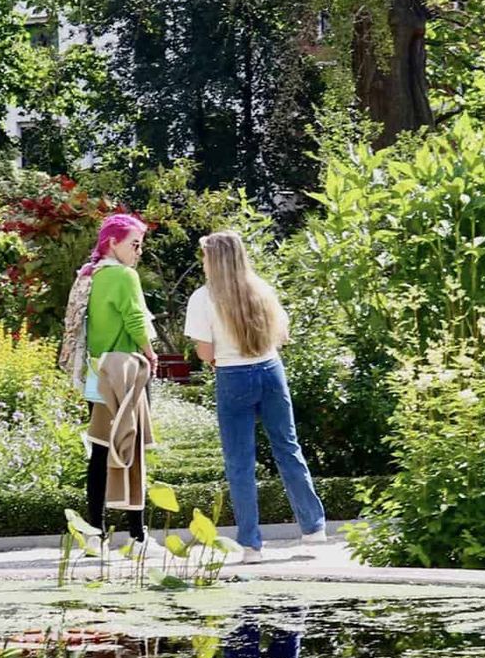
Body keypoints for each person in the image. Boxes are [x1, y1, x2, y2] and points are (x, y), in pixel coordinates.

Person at [184, 230, 325, 563]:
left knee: (240, 462)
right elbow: (281, 335)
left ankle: (251, 545)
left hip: (233, 376)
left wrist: (221, 357)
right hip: (270, 370)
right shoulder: (261, 288)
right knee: (288, 448)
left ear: (214, 260)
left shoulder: (204, 298)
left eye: (204, 256)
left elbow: (205, 351)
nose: (202, 261)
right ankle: (314, 528)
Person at [72, 212, 163, 556]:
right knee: (132, 451)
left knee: (100, 452)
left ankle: (96, 534)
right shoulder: (125, 276)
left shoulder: (89, 275)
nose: (138, 252)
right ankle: (138, 538)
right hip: (124, 373)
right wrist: (151, 354)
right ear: (112, 242)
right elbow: (135, 319)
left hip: (98, 375)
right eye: (133, 244)